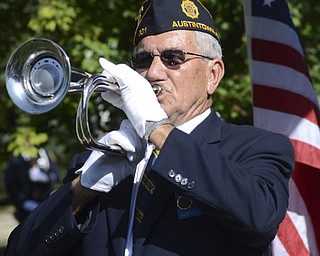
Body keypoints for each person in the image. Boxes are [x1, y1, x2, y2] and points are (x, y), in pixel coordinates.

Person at [5, 0, 295, 255]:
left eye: (173, 58)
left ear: (213, 75)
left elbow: (260, 216)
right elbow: (20, 249)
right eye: (143, 60)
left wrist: (156, 129)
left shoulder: (257, 147)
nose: (153, 73)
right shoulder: (96, 160)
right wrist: (82, 189)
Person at [5, 147, 60, 222]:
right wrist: (22, 201)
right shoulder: (17, 157)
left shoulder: (43, 152)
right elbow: (10, 181)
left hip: (45, 199)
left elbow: (55, 175)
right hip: (27, 204)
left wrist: (44, 177)